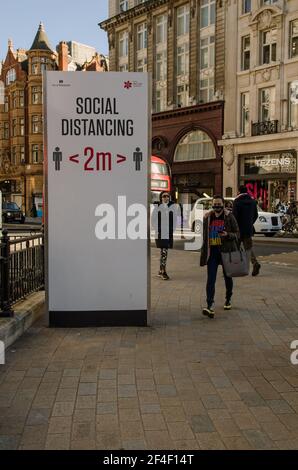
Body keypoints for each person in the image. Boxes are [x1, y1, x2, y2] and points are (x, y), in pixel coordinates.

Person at [200, 195, 239, 318]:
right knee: (211, 279)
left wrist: (228, 234)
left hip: (226, 252)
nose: (217, 206)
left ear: (223, 204)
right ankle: (210, 305)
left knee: (228, 277)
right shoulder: (208, 217)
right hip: (212, 253)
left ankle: (228, 298)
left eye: (219, 204)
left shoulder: (229, 216)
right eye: (215, 204)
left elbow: (237, 233)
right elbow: (205, 236)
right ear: (212, 205)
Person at [233, 185, 260, 277]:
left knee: (235, 248)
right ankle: (255, 263)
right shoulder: (252, 202)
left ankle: (236, 267)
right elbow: (256, 215)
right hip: (248, 229)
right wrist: (249, 224)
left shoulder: (237, 201)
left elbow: (234, 217)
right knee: (248, 248)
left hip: (238, 230)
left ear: (239, 191)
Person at [152, 191, 177, 280]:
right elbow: (153, 220)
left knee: (164, 251)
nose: (166, 197)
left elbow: (174, 219)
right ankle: (163, 272)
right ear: (161, 198)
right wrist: (159, 229)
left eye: (167, 196)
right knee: (164, 251)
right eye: (164, 196)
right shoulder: (157, 207)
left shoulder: (172, 207)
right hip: (161, 232)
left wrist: (172, 229)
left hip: (168, 232)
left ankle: (160, 271)